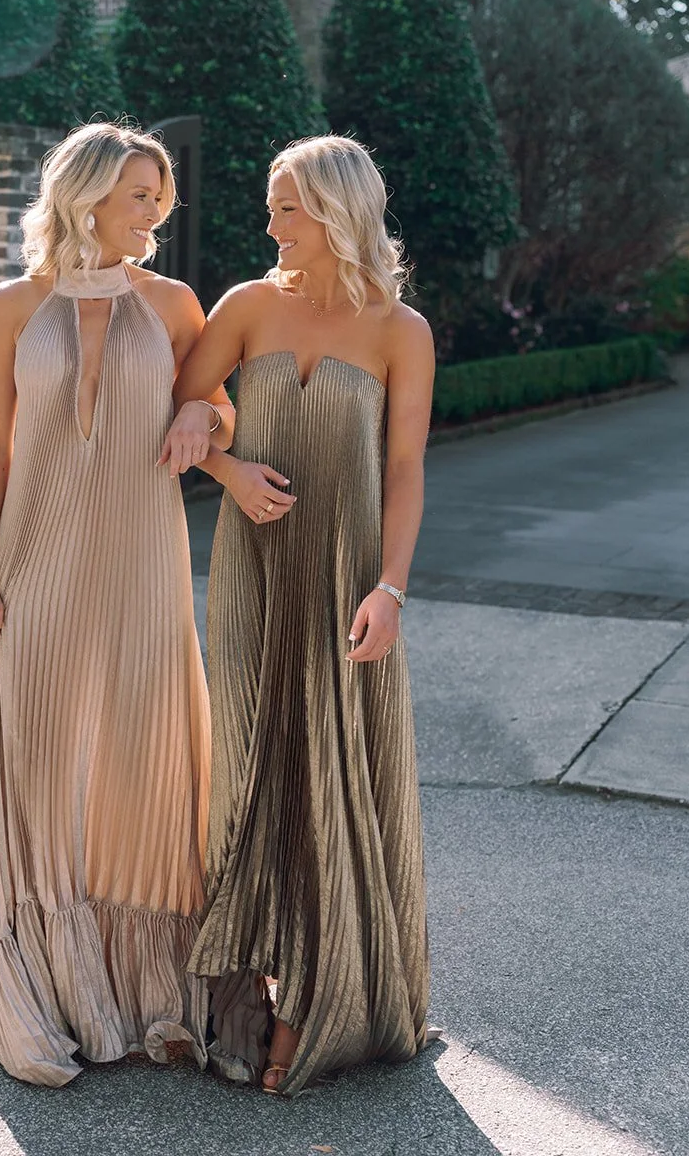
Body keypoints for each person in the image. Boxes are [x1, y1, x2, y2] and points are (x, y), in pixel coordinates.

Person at [0, 122, 233, 1087]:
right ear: (83, 196)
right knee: (29, 758)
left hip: (144, 566)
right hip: (32, 563)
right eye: (136, 193)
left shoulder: (173, 302)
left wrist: (205, 412)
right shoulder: (11, 304)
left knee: (141, 758)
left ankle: (151, 988)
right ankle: (35, 990)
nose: (154, 210)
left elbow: (215, 399)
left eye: (160, 195)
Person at [162, 134, 435, 1096]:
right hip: (252, 574)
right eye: (273, 206)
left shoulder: (401, 329)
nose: (270, 222)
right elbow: (183, 414)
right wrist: (227, 468)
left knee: (330, 784)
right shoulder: (244, 306)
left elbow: (404, 471)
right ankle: (237, 1000)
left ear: (334, 212)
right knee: (247, 775)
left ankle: (315, 1007)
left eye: (285, 206)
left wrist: (390, 588)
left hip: (349, 581)